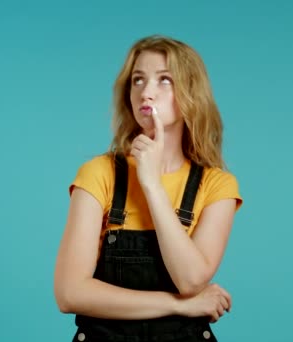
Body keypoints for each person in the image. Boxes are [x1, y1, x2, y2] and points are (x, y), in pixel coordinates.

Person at [54, 34, 243, 342]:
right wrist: (177, 306)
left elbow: (190, 280)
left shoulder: (216, 185)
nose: (146, 92)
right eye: (138, 80)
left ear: (191, 92)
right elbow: (69, 293)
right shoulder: (98, 174)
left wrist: (152, 185)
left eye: (164, 80)